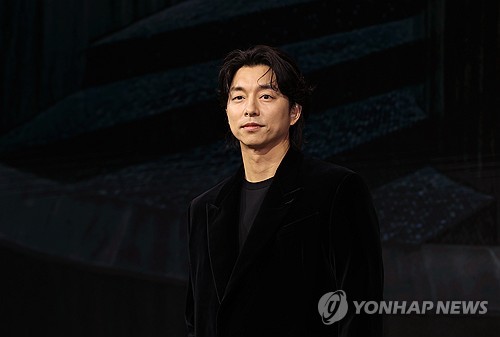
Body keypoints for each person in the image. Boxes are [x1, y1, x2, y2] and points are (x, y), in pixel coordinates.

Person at [185, 45, 383, 337]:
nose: (250, 108)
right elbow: (196, 318)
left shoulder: (336, 190)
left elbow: (360, 310)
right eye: (238, 97)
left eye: (266, 96)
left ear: (294, 111)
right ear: (227, 111)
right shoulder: (204, 208)